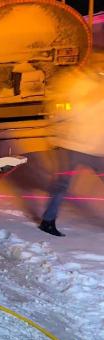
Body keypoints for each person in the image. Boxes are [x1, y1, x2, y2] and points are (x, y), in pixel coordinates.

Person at [39, 54, 104, 236]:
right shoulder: (74, 82)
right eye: (99, 62)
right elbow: (63, 109)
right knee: (61, 185)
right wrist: (91, 98)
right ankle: (48, 221)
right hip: (71, 145)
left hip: (97, 148)